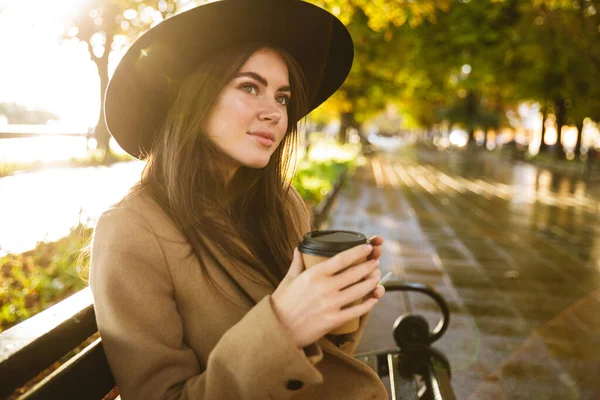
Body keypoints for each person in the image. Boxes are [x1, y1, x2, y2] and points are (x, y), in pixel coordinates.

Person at [89, 0, 388, 399]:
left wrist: (344, 303)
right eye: (250, 87)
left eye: (282, 97)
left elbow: (326, 362)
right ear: (196, 96)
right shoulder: (132, 230)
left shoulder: (281, 205)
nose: (276, 114)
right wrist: (283, 326)